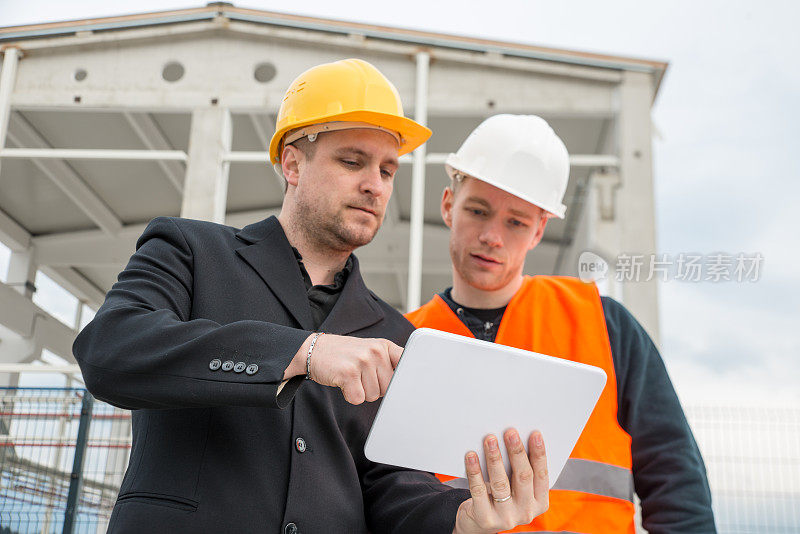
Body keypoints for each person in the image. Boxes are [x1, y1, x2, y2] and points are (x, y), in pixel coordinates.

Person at [73, 60, 550, 534]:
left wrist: (458, 517)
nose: (375, 185)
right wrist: (304, 351)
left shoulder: (395, 332)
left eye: (388, 170)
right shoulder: (192, 252)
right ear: (292, 163)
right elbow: (110, 349)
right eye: (352, 161)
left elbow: (391, 483)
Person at [406, 114, 717, 534]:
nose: (492, 237)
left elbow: (676, 476)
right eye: (478, 211)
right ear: (448, 205)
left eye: (516, 222)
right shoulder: (406, 340)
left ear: (538, 231)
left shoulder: (604, 324)